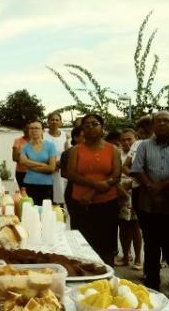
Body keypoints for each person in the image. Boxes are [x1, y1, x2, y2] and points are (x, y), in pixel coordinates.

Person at [130, 111, 169, 294]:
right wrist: (152, 189)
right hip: (148, 204)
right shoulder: (144, 145)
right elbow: (136, 169)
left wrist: (160, 187)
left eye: (166, 121)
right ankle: (152, 283)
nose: (161, 124)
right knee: (151, 244)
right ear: (152, 126)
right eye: (157, 121)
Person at [66, 114, 121, 266]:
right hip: (81, 203)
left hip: (107, 203)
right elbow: (71, 174)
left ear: (102, 127)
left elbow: (116, 175)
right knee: (82, 244)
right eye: (86, 125)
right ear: (82, 130)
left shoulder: (113, 150)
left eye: (95, 123)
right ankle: (83, 278)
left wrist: (92, 191)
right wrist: (96, 185)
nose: (91, 127)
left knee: (106, 246)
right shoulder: (75, 150)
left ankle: (107, 279)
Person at [116, 128, 142, 271]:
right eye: (123, 139)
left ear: (136, 139)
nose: (126, 142)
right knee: (123, 227)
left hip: (136, 193)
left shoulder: (139, 153)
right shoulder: (117, 155)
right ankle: (125, 256)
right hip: (120, 196)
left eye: (129, 139)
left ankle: (138, 258)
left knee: (135, 228)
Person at [20, 120, 57, 205]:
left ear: (42, 131)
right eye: (31, 128)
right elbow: (23, 161)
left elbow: (51, 168)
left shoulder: (50, 146)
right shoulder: (24, 147)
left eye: (37, 128)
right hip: (29, 183)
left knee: (45, 212)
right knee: (30, 211)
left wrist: (30, 166)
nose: (34, 130)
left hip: (46, 184)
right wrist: (43, 164)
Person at [60, 126, 84, 227]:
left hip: (93, 192)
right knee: (76, 222)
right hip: (73, 191)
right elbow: (64, 173)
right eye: (83, 136)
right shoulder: (68, 153)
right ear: (75, 138)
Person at [43, 112, 69, 205]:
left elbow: (67, 154)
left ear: (61, 122)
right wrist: (50, 166)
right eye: (52, 119)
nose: (54, 122)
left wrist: (59, 165)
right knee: (47, 198)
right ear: (48, 122)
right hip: (46, 169)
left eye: (57, 120)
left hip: (60, 170)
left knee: (60, 198)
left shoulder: (65, 135)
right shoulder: (43, 135)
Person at [12, 122, 30, 188]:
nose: (28, 130)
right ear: (23, 129)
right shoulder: (18, 141)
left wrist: (22, 156)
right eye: (26, 128)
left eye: (30, 128)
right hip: (21, 173)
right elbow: (14, 157)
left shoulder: (36, 141)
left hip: (34, 173)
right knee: (23, 193)